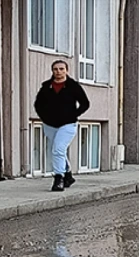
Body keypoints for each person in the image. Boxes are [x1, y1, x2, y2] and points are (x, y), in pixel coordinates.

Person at [34, 60, 90, 192]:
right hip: (50, 124)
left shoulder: (73, 86)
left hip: (68, 124)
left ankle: (59, 178)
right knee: (57, 150)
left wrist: (73, 114)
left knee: (58, 149)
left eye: (61, 69)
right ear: (52, 71)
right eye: (55, 69)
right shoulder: (46, 86)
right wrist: (44, 117)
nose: (58, 72)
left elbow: (85, 103)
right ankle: (68, 174)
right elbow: (38, 105)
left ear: (66, 70)